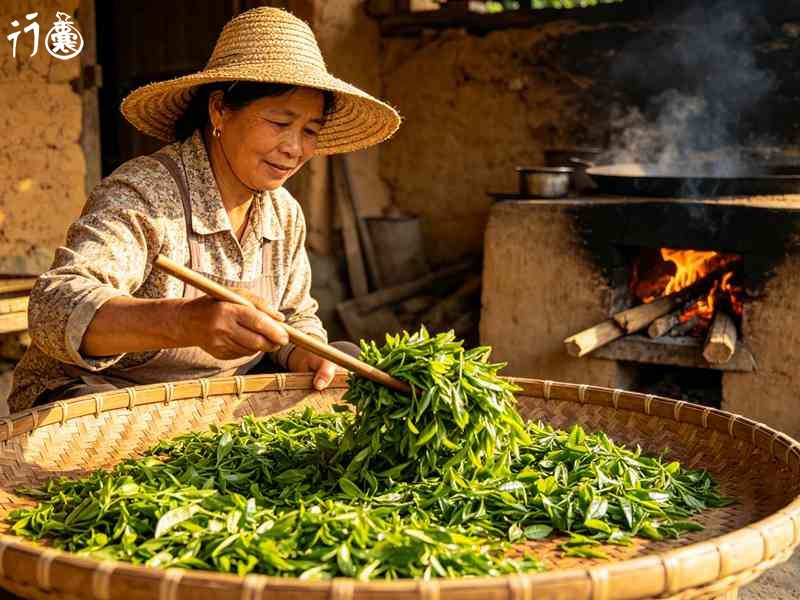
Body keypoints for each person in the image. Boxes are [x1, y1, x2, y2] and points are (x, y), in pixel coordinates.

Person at [7, 7, 400, 412]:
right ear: (219, 111)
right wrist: (185, 321)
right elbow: (54, 305)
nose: (295, 149)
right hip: (104, 401)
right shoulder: (146, 193)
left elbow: (295, 318)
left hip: (205, 407)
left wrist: (308, 355)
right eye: (280, 123)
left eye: (310, 131)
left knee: (345, 357)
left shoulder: (283, 213)